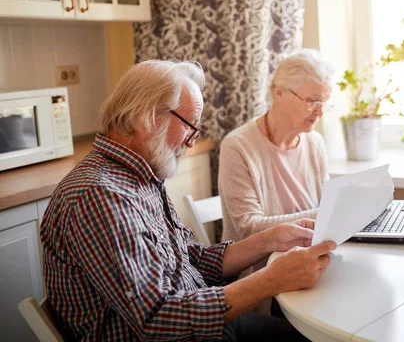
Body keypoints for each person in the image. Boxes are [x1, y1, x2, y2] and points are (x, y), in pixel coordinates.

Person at [40, 60, 336, 341]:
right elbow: (157, 318)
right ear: (147, 116)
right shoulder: (100, 196)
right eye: (190, 125)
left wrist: (269, 240)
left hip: (206, 326)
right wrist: (272, 280)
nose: (193, 140)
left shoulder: (141, 176)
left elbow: (193, 261)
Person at [219, 49, 334, 249]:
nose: (320, 111)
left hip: (312, 257)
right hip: (262, 270)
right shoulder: (238, 147)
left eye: (324, 102)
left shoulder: (315, 143)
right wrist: (327, 213)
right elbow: (248, 228)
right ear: (279, 93)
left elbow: (330, 204)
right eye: (312, 101)